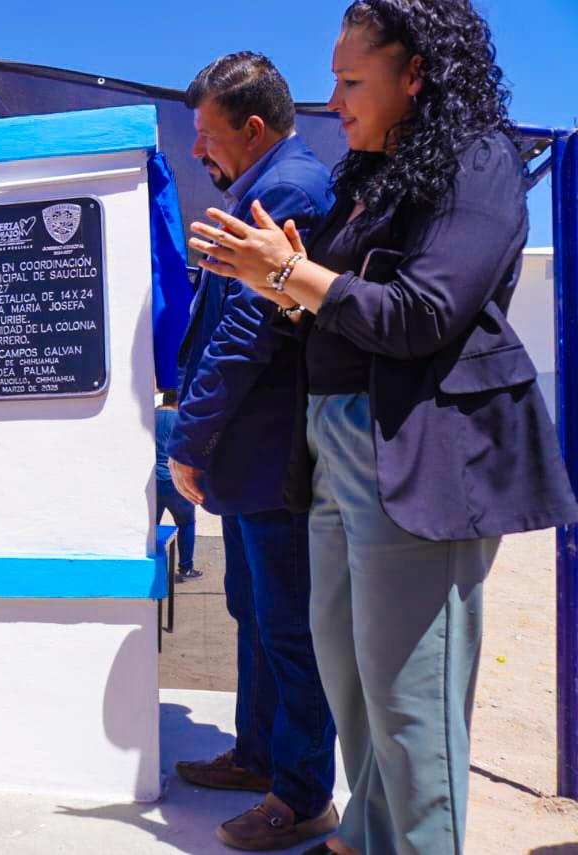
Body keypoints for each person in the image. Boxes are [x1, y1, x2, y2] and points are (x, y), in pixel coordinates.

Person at [187, 2, 578, 853]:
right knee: (352, 682)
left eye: (351, 80)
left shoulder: (480, 163)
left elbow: (423, 313)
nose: (333, 100)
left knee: (411, 703)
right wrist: (275, 281)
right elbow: (329, 310)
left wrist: (292, 272)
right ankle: (361, 836)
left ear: (417, 75)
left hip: (416, 455)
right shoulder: (369, 178)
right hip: (334, 455)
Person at [168, 52, 339, 852]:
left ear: (255, 128)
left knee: (289, 629)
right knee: (253, 616)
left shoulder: (290, 190)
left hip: (273, 458)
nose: (199, 150)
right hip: (250, 462)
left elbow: (246, 333)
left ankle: (303, 794)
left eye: (208, 135)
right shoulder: (259, 189)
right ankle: (260, 755)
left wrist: (189, 439)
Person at [153, 390, 199, 581]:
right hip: (175, 482)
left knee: (151, 526)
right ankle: (185, 568)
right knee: (186, 523)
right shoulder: (182, 419)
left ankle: (154, 565)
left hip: (152, 482)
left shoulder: (150, 415)